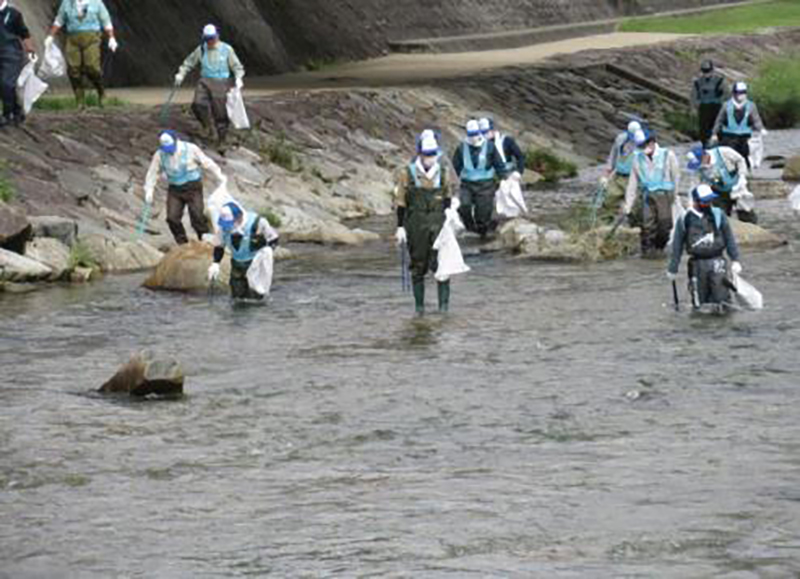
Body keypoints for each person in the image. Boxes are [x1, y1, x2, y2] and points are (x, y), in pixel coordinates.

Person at [395, 133, 454, 315]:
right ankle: (419, 309)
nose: (430, 159)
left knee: (442, 266)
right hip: (415, 225)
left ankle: (443, 309)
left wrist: (450, 215)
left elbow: (447, 199)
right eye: (427, 155)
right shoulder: (407, 173)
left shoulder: (443, 173)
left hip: (438, 224)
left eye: (433, 155)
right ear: (420, 154)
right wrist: (400, 227)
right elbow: (401, 202)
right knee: (418, 266)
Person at [143, 131, 227, 245]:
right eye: (166, 148)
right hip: (175, 190)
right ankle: (182, 243)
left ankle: (205, 239)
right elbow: (153, 172)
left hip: (193, 188)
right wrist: (149, 190)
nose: (169, 150)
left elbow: (206, 163)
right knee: (172, 218)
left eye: (170, 147)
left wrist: (219, 175)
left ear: (176, 140)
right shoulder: (160, 154)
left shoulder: (190, 149)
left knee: (197, 217)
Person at [668, 184, 742, 310]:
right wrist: (673, 269)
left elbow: (729, 238)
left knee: (722, 300)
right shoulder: (685, 219)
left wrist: (735, 259)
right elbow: (677, 246)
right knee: (699, 303)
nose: (708, 204)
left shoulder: (719, 215)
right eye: (704, 201)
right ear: (696, 201)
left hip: (718, 262)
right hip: (696, 265)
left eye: (710, 200)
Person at [175, 24, 245, 146]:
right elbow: (188, 63)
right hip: (205, 81)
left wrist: (239, 78)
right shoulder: (201, 49)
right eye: (207, 39)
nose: (210, 41)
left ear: (217, 36)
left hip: (221, 82)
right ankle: (208, 127)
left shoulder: (226, 49)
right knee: (197, 104)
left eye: (212, 38)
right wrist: (181, 74)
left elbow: (237, 66)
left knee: (221, 113)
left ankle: (222, 140)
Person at [46, 0, 118, 108]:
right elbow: (59, 20)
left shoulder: (96, 3)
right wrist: (51, 36)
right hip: (73, 39)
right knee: (73, 69)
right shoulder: (67, 3)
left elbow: (106, 20)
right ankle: (80, 98)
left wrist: (111, 38)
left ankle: (101, 91)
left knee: (92, 67)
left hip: (92, 38)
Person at [623, 130, 680, 257]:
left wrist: (674, 195)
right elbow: (632, 184)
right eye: (640, 146)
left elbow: (676, 176)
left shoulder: (667, 155)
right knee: (647, 226)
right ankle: (647, 252)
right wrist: (628, 205)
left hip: (664, 194)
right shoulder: (637, 159)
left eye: (644, 145)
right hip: (647, 195)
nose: (643, 149)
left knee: (665, 224)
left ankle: (660, 248)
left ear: (652, 142)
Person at [208, 202, 279, 300]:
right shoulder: (223, 227)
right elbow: (219, 246)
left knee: (257, 298)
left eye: (231, 223)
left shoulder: (258, 222)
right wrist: (215, 263)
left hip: (256, 265)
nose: (228, 227)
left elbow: (273, 239)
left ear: (239, 217)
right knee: (237, 298)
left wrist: (266, 254)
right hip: (237, 265)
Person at [452, 119, 508, 238]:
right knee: (464, 206)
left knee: (482, 213)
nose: (474, 137)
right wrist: (455, 181)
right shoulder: (461, 148)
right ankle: (469, 227)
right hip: (467, 184)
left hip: (486, 185)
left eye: (476, 134)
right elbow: (455, 166)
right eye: (471, 135)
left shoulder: (490, 146)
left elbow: (498, 164)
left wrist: (503, 178)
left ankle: (482, 232)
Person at [711, 81, 767, 169]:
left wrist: (761, 129)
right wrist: (714, 134)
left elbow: (756, 120)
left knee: (744, 155)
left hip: (744, 136)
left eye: (743, 92)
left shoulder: (751, 105)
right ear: (734, 93)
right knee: (729, 156)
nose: (741, 95)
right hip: (729, 136)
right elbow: (719, 121)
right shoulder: (726, 105)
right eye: (739, 93)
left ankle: (745, 171)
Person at [696, 145, 757, 223]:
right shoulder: (700, 169)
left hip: (738, 186)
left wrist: (742, 176)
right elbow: (700, 183)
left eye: (700, 161)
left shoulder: (723, 152)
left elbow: (741, 160)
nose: (700, 164)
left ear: (705, 155)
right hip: (718, 191)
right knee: (720, 216)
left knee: (746, 211)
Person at [0, 0, 35, 126]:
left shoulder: (14, 14)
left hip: (11, 53)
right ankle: (17, 110)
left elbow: (24, 33)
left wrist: (30, 49)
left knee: (6, 83)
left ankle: (6, 114)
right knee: (4, 85)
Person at [600, 120, 641, 221]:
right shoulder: (620, 139)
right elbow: (612, 158)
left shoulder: (644, 142)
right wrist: (605, 176)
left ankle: (636, 227)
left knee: (634, 206)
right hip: (618, 176)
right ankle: (605, 224)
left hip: (635, 178)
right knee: (609, 199)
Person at [691, 60, 726, 148]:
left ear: (712, 70)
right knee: (703, 129)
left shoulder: (720, 80)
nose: (706, 73)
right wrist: (693, 108)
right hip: (703, 108)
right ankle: (705, 145)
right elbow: (693, 96)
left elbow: (726, 94)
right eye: (704, 71)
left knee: (718, 127)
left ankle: (720, 144)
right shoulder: (697, 82)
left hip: (716, 107)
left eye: (708, 71)